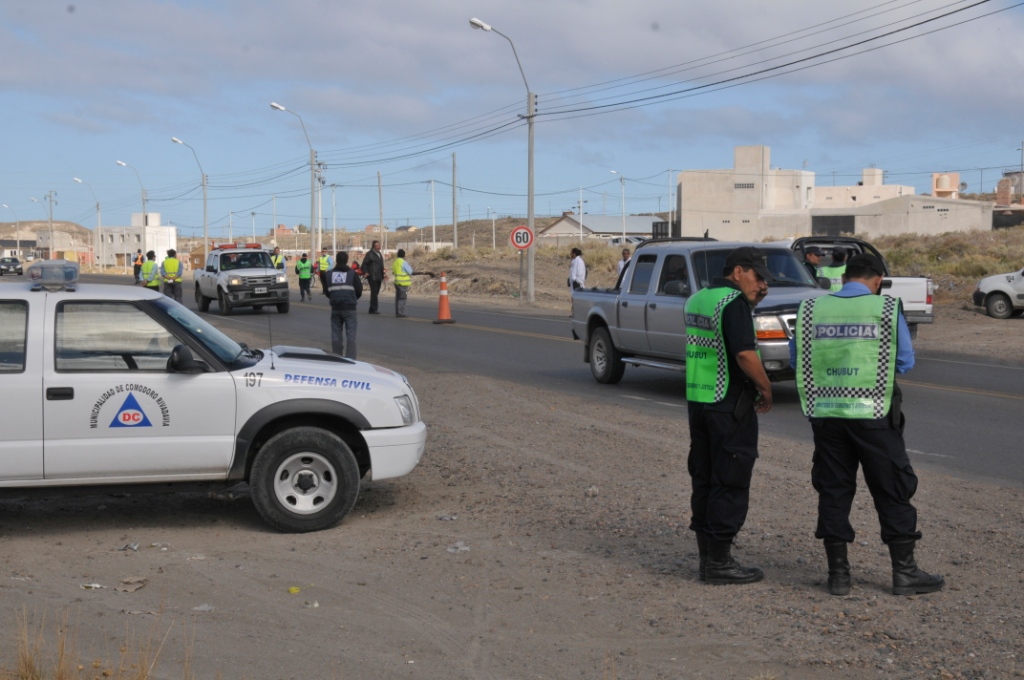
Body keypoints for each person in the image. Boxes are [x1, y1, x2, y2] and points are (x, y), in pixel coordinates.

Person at [790, 253, 944, 597]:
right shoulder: (885, 308)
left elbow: (796, 360)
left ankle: (838, 577)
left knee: (834, 490)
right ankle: (904, 573)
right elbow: (903, 361)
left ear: (845, 278)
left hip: (827, 416)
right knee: (892, 488)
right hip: (873, 415)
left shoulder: (811, 309)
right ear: (877, 280)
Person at [684, 246, 774, 585]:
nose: (763, 286)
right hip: (728, 403)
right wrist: (765, 388)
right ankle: (720, 563)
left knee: (704, 477)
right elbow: (744, 355)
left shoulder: (698, 299)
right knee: (730, 480)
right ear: (738, 272)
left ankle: (708, 559)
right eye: (758, 277)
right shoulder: (733, 304)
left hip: (699, 400)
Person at [327, 252, 363, 359]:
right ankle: (350, 360)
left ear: (336, 260)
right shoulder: (352, 274)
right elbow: (359, 290)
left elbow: (327, 291)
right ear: (347, 260)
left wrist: (336, 298)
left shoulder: (329, 274)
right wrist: (352, 298)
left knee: (336, 335)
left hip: (335, 308)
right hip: (350, 308)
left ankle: (337, 358)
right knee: (351, 336)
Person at [361, 240, 386, 314]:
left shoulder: (379, 254)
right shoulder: (370, 254)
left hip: (379, 276)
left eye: (379, 245)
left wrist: (383, 273)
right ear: (373, 246)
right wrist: (366, 272)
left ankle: (372, 309)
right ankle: (374, 309)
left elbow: (380, 265)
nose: (379, 247)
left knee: (376, 292)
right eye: (377, 245)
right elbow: (364, 265)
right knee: (374, 293)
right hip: (372, 276)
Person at [392, 248, 413, 318]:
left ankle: (397, 312)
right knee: (402, 298)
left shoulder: (395, 262)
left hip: (397, 282)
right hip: (403, 283)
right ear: (404, 255)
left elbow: (394, 271)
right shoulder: (403, 262)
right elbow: (410, 271)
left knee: (397, 298)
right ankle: (401, 313)